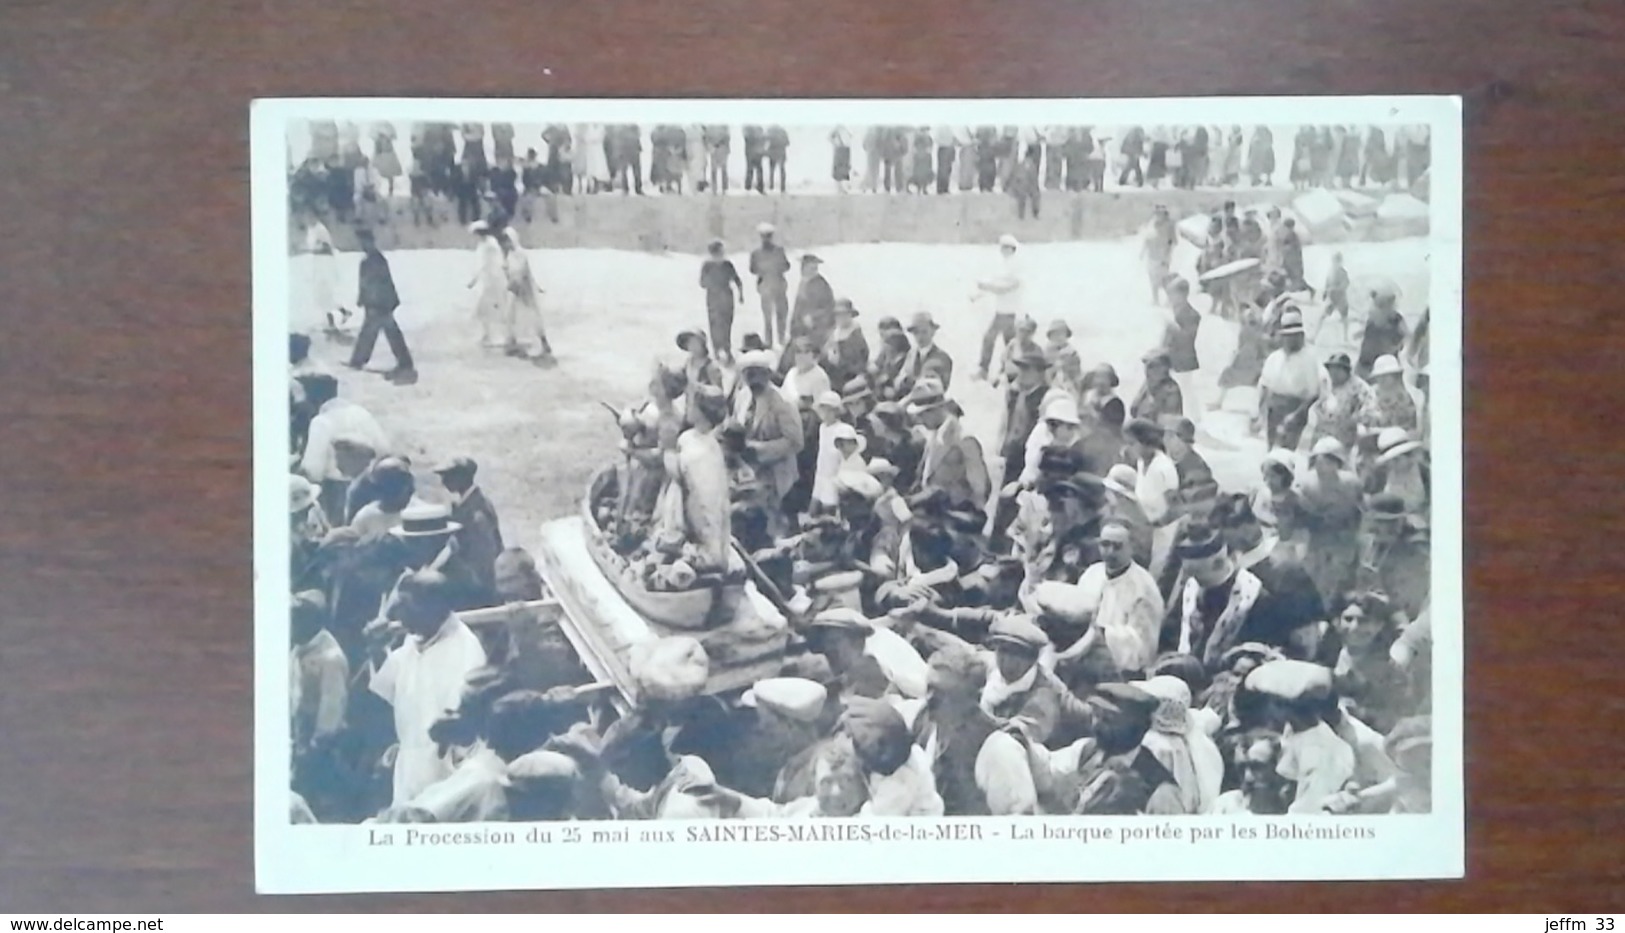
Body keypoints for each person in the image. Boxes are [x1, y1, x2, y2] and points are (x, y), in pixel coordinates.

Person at [368, 570, 489, 807]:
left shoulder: (467, 652)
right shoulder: (414, 639)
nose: (399, 616)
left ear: (434, 607)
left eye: (407, 607)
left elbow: (463, 727)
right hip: (408, 771)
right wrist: (376, 648)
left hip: (446, 775)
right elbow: (389, 688)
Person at [913, 646, 1038, 816]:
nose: (930, 700)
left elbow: (1019, 822)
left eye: (944, 694)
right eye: (930, 688)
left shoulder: (997, 748)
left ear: (972, 700)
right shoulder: (922, 722)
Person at [1050, 521, 1165, 685]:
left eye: (1117, 547)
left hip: (1121, 676)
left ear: (1131, 547)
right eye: (1105, 545)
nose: (1110, 552)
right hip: (1083, 665)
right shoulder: (1092, 574)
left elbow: (1144, 649)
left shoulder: (1144, 588)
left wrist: (1103, 634)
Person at [297, 373, 390, 525]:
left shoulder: (321, 422)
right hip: (370, 482)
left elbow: (313, 469)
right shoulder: (361, 412)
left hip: (336, 492)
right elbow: (384, 449)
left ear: (314, 398)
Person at [732, 351, 805, 535]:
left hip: (777, 476)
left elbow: (795, 442)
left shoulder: (783, 402)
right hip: (750, 474)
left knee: (778, 527)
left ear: (767, 374)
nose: (753, 380)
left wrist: (758, 449)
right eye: (748, 375)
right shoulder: (742, 397)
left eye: (757, 374)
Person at [1297, 438, 1365, 605]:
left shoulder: (1351, 483)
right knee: (1312, 579)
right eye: (1317, 462)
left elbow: (1360, 511)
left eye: (1327, 462)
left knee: (1341, 580)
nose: (1321, 467)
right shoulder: (1306, 484)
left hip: (1344, 539)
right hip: (1316, 539)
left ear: (1338, 463)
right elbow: (1299, 516)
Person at [907, 379, 990, 512]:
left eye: (922, 415)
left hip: (953, 515)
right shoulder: (933, 435)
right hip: (930, 512)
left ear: (936, 410)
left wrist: (944, 496)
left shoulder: (964, 439)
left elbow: (979, 489)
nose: (920, 421)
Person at [431, 456, 503, 608]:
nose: (443, 482)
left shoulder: (477, 513)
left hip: (479, 589)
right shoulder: (468, 504)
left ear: (462, 477)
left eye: (448, 477)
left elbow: (484, 558)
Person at [346, 228, 415, 384]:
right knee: (381, 332)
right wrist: (362, 298)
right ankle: (403, 362)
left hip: (379, 303)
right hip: (378, 302)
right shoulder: (371, 260)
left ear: (370, 242)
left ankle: (359, 360)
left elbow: (381, 283)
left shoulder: (375, 261)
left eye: (364, 242)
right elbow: (364, 284)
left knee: (376, 332)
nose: (362, 245)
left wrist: (373, 301)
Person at [1125, 418, 1183, 580]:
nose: (1128, 448)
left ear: (1147, 443)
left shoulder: (1163, 468)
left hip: (1163, 534)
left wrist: (1154, 524)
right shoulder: (1141, 462)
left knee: (1154, 575)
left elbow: (1176, 509)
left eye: (1132, 443)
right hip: (1143, 529)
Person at [1256, 308, 1320, 449]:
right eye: (1287, 336)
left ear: (1302, 335)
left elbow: (1313, 394)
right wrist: (1259, 413)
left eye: (1295, 335)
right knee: (1271, 451)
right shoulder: (1274, 358)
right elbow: (1264, 387)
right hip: (1274, 410)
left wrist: (1296, 416)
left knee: (1285, 455)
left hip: (1296, 409)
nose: (1291, 339)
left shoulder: (1309, 359)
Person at [496, 223, 554, 365]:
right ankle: (512, 343)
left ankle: (540, 342)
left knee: (529, 315)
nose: (505, 243)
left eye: (507, 240)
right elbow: (508, 270)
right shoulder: (509, 254)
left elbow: (521, 272)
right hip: (515, 290)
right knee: (512, 316)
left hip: (523, 290)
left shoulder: (520, 254)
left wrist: (514, 283)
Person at [974, 234, 1025, 382]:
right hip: (1002, 311)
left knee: (1003, 341)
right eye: (1002, 247)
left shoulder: (1016, 267)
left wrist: (986, 286)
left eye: (1007, 247)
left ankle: (998, 370)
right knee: (1005, 342)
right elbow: (994, 283)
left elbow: (1005, 288)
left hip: (1012, 312)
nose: (1004, 250)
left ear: (1012, 249)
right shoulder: (1004, 266)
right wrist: (979, 294)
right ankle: (998, 371)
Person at [1306, 352, 1374, 452]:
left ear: (1346, 370)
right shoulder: (1323, 384)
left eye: (1338, 369)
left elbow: (1369, 409)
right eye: (1331, 369)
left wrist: (1354, 419)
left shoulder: (1359, 387)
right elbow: (1310, 402)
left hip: (1345, 436)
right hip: (1321, 433)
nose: (1334, 372)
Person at [698, 239, 745, 362]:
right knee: (715, 324)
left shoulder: (727, 264)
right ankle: (717, 350)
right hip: (715, 297)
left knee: (726, 323)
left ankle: (726, 349)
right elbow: (702, 282)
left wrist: (741, 294)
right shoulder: (707, 266)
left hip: (725, 297)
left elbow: (737, 279)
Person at [302, 213, 349, 331]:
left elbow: (326, 247)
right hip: (318, 265)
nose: (307, 219)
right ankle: (342, 314)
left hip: (325, 264)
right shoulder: (311, 230)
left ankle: (332, 323)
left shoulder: (320, 229)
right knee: (321, 296)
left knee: (325, 294)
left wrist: (313, 249)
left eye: (309, 216)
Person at [466, 221, 510, 348]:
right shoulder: (485, 244)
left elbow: (484, 264)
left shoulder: (489, 245)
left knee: (493, 307)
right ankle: (487, 334)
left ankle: (500, 334)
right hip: (488, 279)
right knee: (484, 309)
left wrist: (473, 280)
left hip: (492, 280)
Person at [749, 224, 792, 347]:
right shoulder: (755, 253)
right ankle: (769, 341)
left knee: (782, 313)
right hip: (765, 285)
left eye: (768, 236)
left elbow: (786, 266)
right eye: (764, 236)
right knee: (767, 315)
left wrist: (777, 268)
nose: (766, 239)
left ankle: (781, 339)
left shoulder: (779, 250)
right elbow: (752, 269)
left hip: (778, 283)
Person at [896, 312, 955, 396]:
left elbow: (939, 387)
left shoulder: (942, 358)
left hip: (932, 405)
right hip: (910, 401)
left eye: (924, 332)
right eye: (916, 333)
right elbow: (899, 379)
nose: (920, 337)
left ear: (932, 332)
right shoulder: (911, 355)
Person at [789, 254, 836, 354]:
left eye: (813, 268)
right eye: (805, 267)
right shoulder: (803, 283)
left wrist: (813, 317)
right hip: (802, 327)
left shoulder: (821, 285)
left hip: (818, 328)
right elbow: (798, 307)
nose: (805, 270)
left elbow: (829, 308)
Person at [822, 299, 870, 391]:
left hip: (850, 379)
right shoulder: (834, 333)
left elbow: (860, 362)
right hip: (832, 376)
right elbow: (825, 353)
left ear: (850, 315)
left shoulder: (856, 336)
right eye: (838, 315)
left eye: (844, 314)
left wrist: (839, 361)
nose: (840, 318)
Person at [1131, 350, 1185, 429]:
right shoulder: (1148, 384)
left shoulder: (1171, 391)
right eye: (1147, 366)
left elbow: (1169, 422)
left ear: (1164, 368)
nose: (1147, 370)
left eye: (1152, 366)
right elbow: (1134, 409)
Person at [1141, 205, 1177, 306]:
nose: (1158, 215)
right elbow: (1147, 238)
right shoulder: (1152, 223)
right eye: (1157, 213)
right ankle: (1155, 299)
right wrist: (1143, 251)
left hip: (1163, 256)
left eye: (1161, 213)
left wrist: (1167, 254)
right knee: (1152, 279)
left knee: (1163, 279)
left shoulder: (1170, 225)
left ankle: (1169, 299)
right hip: (1152, 255)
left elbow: (1173, 241)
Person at [829, 126, 854, 193]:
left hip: (844, 149)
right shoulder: (838, 128)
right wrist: (837, 143)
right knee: (839, 168)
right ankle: (840, 188)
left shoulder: (844, 128)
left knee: (844, 168)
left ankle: (842, 187)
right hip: (840, 149)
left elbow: (850, 136)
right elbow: (830, 137)